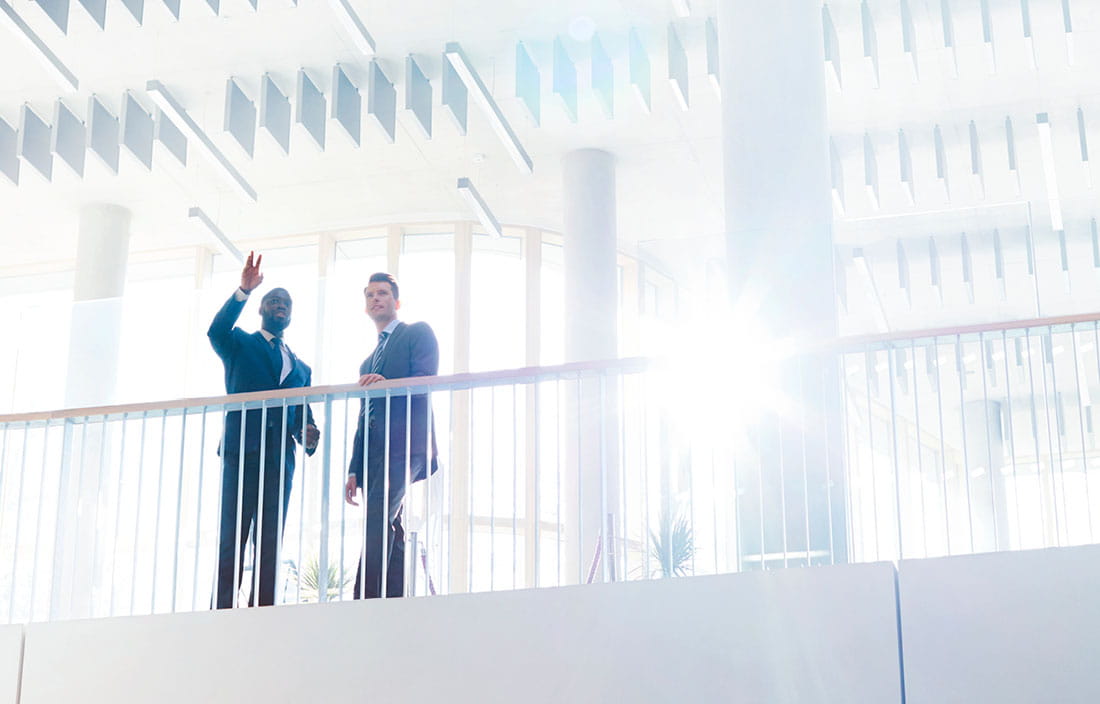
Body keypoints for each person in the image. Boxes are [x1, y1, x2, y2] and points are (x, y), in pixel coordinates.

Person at [208, 251, 319, 608]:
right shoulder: (240, 344)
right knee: (233, 535)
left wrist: (310, 433)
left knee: (271, 538)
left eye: (285, 302)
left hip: (279, 460)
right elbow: (216, 330)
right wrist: (244, 290)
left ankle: (264, 609)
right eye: (273, 300)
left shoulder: (301, 367)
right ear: (261, 308)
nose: (279, 305)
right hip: (242, 452)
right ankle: (223, 608)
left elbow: (302, 415)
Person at [345, 272, 439, 599]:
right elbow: (363, 415)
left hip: (405, 443)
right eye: (370, 295)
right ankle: (395, 596)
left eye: (382, 293)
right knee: (389, 521)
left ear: (396, 302)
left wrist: (386, 382)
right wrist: (354, 468)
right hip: (374, 452)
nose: (376, 299)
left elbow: (426, 380)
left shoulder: (417, 333)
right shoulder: (367, 361)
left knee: (378, 515)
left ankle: (365, 599)